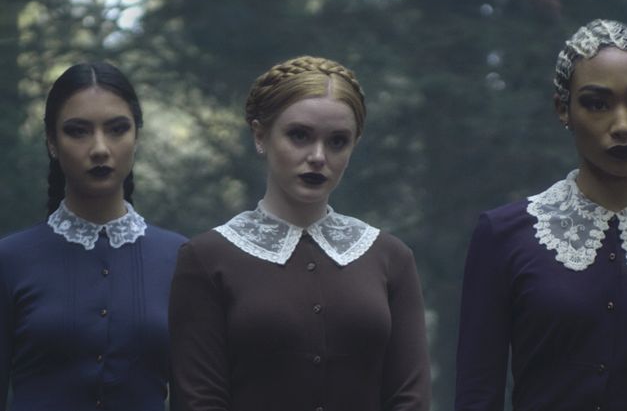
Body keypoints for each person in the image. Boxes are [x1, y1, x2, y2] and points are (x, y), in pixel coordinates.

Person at [455, 19, 627, 411]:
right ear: (563, 109)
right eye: (597, 103)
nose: (622, 125)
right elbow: (476, 396)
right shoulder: (503, 235)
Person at [169, 55, 431, 411]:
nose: (318, 156)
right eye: (299, 136)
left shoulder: (390, 257)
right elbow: (199, 400)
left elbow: (409, 398)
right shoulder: (207, 257)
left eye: (338, 141)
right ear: (260, 135)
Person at [0, 62, 187, 411]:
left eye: (117, 129)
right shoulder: (9, 260)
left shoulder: (180, 257)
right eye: (78, 131)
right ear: (52, 143)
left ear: (137, 136)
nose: (100, 148)